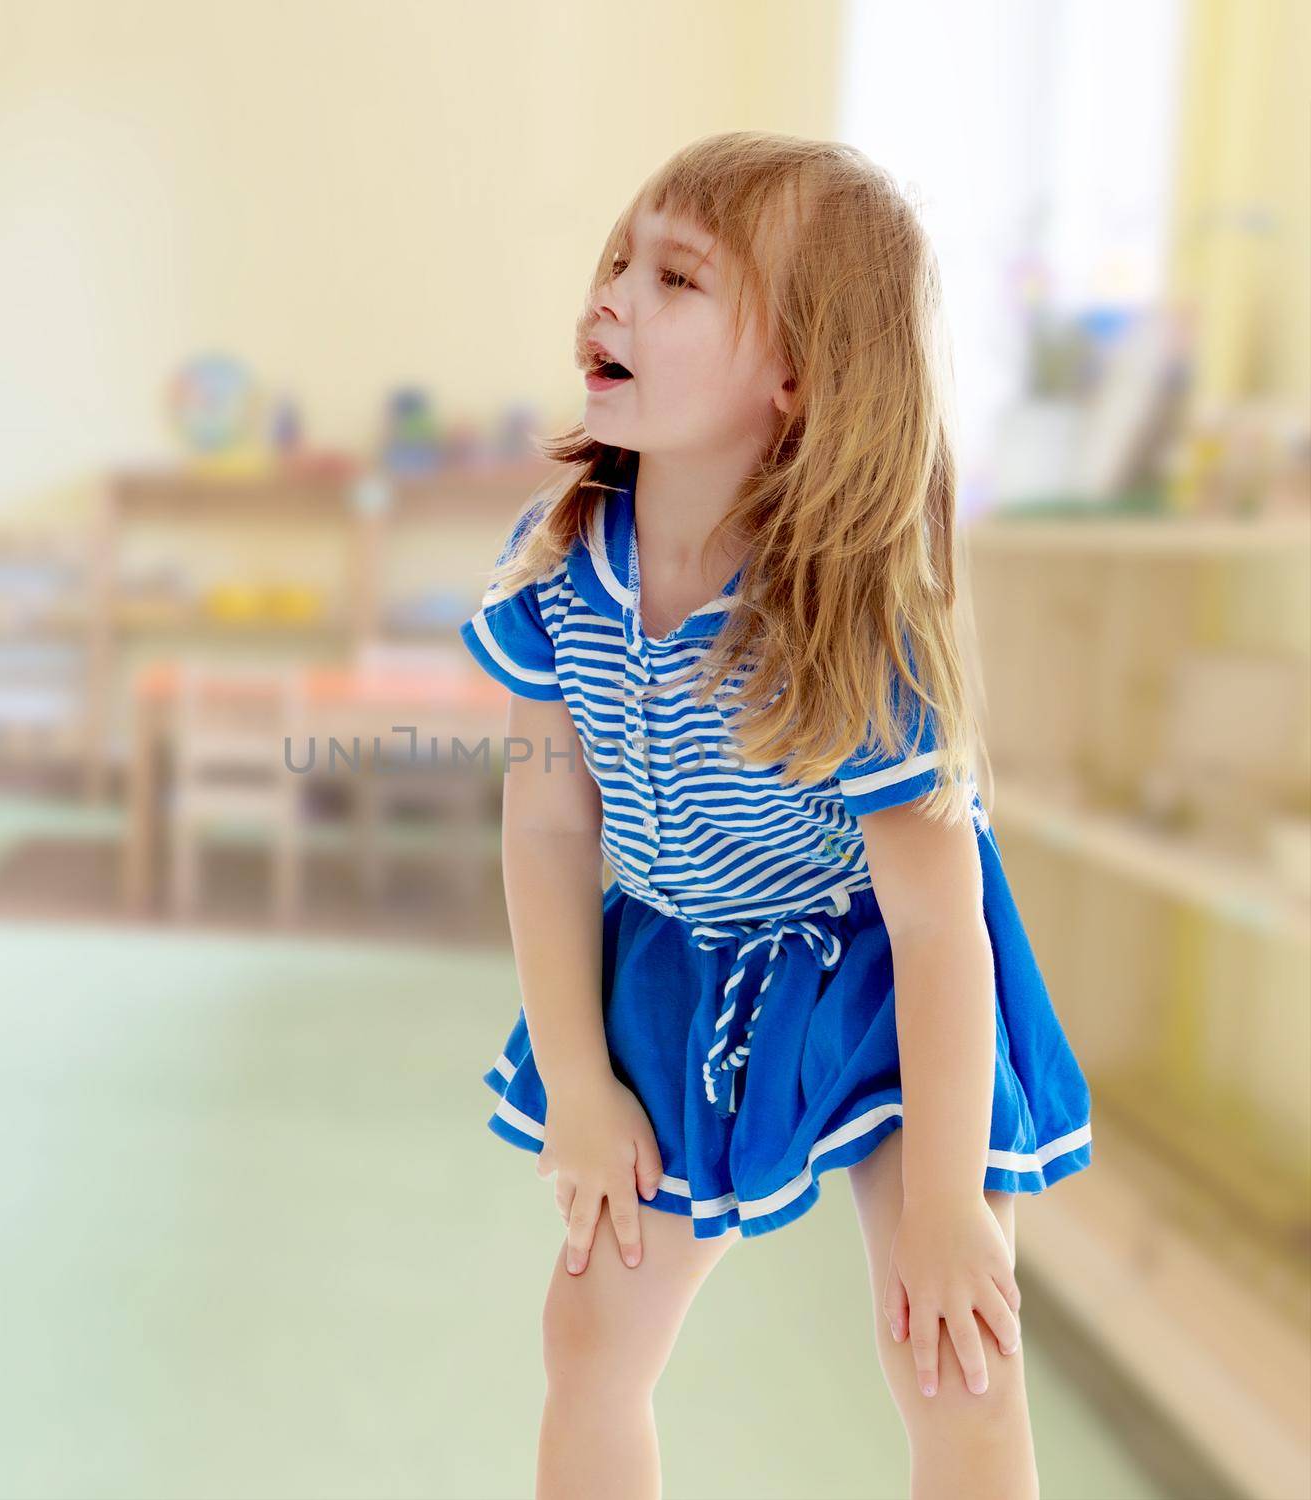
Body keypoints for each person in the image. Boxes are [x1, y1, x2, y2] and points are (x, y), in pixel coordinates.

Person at [456, 132, 1093, 1500]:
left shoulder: (850, 623)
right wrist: (578, 1084)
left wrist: (938, 1213)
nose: (611, 295)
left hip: (880, 972)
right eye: (617, 259)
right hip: (682, 959)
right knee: (588, 1335)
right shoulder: (565, 567)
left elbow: (939, 926)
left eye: (675, 278)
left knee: (951, 1352)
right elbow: (550, 834)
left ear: (796, 376)